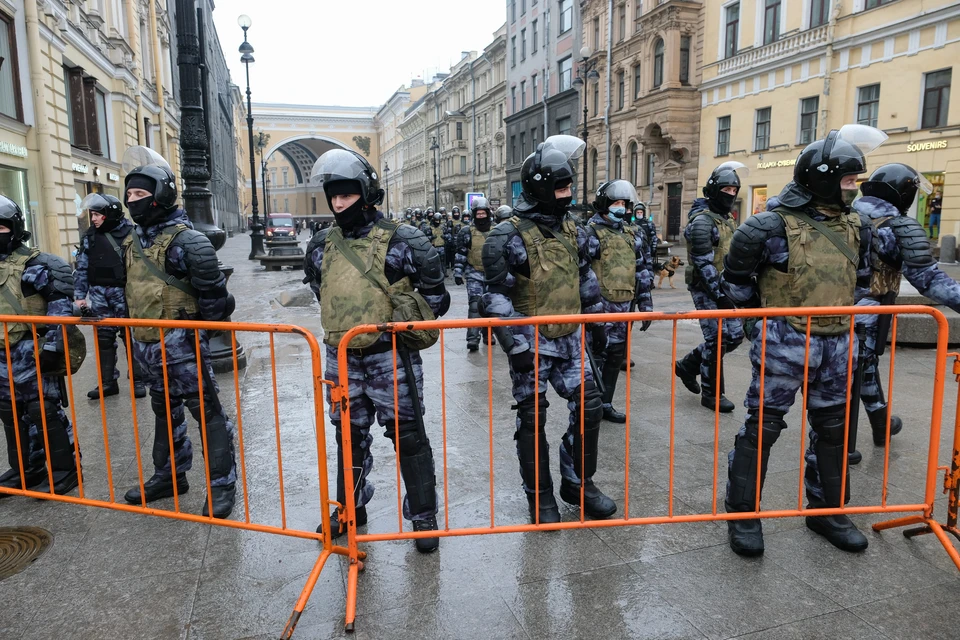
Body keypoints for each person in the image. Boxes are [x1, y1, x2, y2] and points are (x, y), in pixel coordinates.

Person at [720, 125, 887, 556]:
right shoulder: (766, 227)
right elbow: (736, 287)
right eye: (849, 181)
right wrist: (765, 325)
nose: (854, 189)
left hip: (836, 344)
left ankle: (827, 512)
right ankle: (742, 515)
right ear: (824, 177)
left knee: (833, 429)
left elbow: (862, 283)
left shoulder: (858, 227)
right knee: (763, 428)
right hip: (784, 343)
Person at [304, 148, 450, 553]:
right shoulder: (321, 245)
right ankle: (349, 510)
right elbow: (322, 292)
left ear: (366, 193)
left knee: (409, 436)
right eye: (333, 195)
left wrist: (396, 318)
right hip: (342, 358)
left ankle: (423, 515)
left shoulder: (404, 240)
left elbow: (436, 299)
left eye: (346, 195)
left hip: (391, 358)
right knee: (348, 437)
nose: (338, 203)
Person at [480, 135, 617, 525]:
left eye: (570, 185)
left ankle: (578, 482)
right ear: (540, 187)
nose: (569, 194)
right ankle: (539, 497)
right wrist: (513, 344)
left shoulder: (576, 229)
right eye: (561, 187)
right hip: (532, 344)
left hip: (572, 339)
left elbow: (585, 278)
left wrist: (598, 323)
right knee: (531, 416)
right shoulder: (506, 236)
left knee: (590, 406)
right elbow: (495, 297)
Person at [119, 146, 238, 519]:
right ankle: (169, 476)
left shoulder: (190, 242)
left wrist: (188, 334)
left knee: (206, 411)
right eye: (130, 195)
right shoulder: (132, 242)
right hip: (147, 345)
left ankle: (222, 486)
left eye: (141, 193)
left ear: (162, 195)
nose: (133, 201)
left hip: (183, 347)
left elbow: (216, 303)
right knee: (162, 408)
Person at [852, 164, 960, 451]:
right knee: (859, 368)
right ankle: (846, 446)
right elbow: (929, 280)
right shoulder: (896, 225)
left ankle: (879, 424)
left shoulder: (845, 214)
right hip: (869, 311)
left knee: (857, 369)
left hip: (829, 310)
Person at [0, 196, 80, 496]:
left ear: (15, 228)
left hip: (32, 351)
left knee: (43, 411)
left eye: (1, 228)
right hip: (2, 355)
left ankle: (66, 469)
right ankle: (26, 469)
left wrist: (53, 346)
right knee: (9, 413)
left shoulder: (39, 264)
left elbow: (60, 305)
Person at [675, 162, 748, 413]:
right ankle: (712, 394)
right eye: (726, 188)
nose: (730, 194)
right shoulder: (702, 222)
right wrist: (720, 296)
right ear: (714, 190)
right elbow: (704, 264)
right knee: (716, 339)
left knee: (735, 336)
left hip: (725, 287)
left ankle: (686, 366)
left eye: (734, 189)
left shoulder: (726, 220)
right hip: (704, 287)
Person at [584, 181, 654, 423]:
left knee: (615, 358)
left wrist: (646, 305)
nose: (620, 208)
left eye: (623, 204)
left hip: (625, 307)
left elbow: (642, 269)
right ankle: (589, 405)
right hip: (599, 310)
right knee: (596, 357)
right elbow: (581, 273)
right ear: (604, 204)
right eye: (615, 203)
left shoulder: (632, 233)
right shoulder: (590, 233)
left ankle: (606, 403)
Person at [73, 194, 146, 400]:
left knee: (130, 336)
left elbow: (140, 266)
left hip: (123, 293)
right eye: (92, 215)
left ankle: (138, 379)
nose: (94, 219)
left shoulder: (130, 233)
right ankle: (108, 383)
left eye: (97, 214)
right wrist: (80, 296)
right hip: (98, 294)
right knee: (104, 339)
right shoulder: (90, 236)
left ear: (109, 213)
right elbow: (83, 267)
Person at [453, 197, 496, 352]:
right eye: (478, 214)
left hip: (493, 275)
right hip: (474, 273)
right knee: (475, 305)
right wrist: (458, 272)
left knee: (491, 306)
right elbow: (461, 253)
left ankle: (488, 335)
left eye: (483, 213)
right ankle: (472, 338)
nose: (481, 216)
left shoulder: (497, 231)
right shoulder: (466, 232)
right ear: (474, 214)